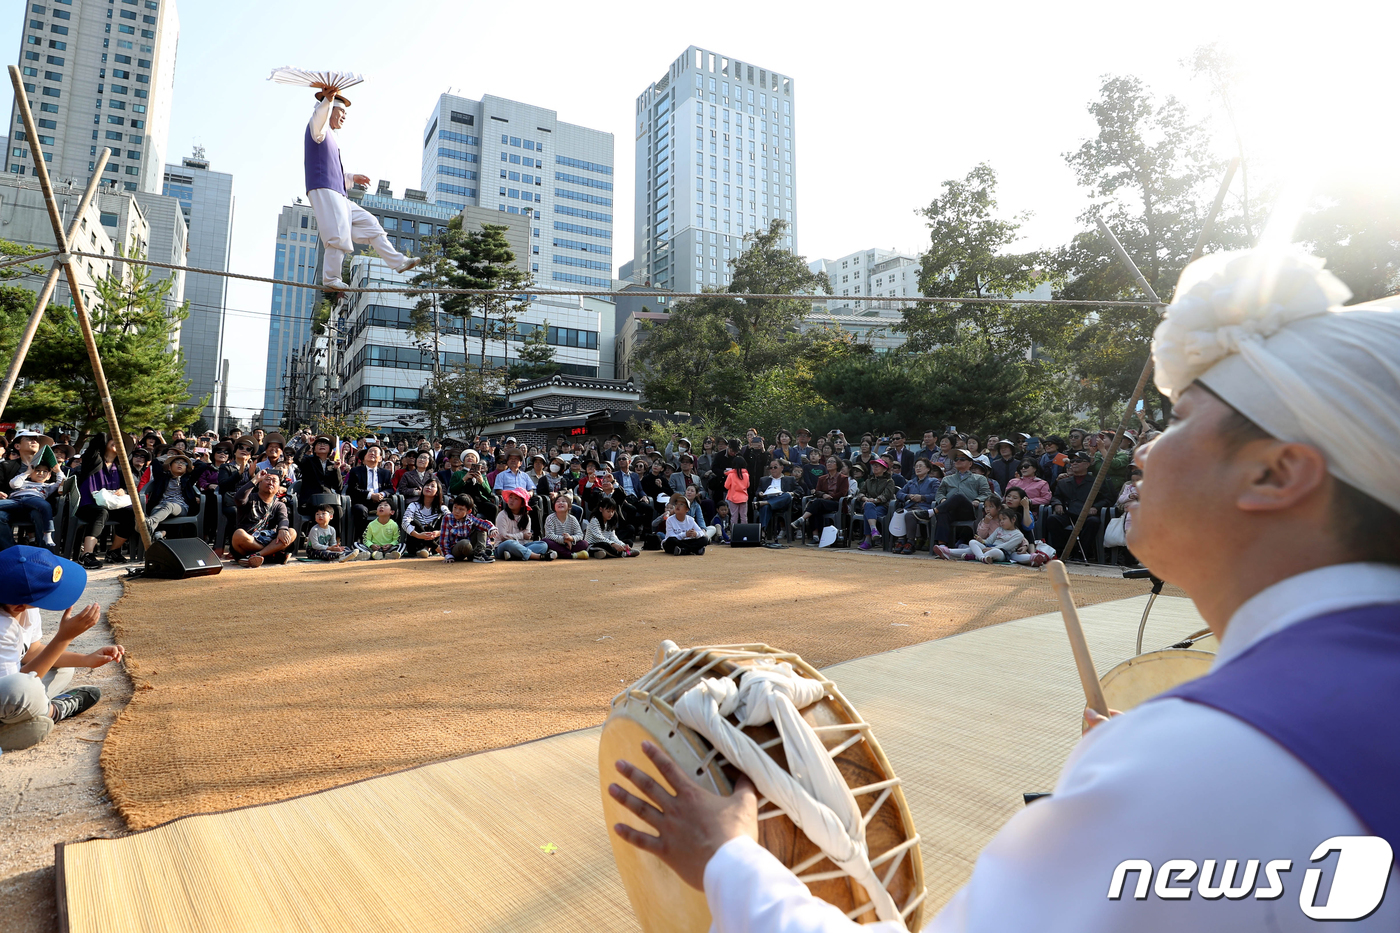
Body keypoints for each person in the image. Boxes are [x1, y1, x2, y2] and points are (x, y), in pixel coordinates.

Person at [607, 248, 1400, 931]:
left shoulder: (1208, 758)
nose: (1146, 449)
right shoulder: (1243, 739)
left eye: (1182, 419)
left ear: (1276, 471)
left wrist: (728, 860)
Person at [0, 547, 121, 751]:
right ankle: (54, 711)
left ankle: (23, 720)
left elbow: (32, 651)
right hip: (8, 689)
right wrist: (64, 638)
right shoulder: (3, 627)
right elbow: (17, 686)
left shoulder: (21, 606)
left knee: (63, 667)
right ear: (18, 606)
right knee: (24, 688)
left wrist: (85, 660)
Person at [303, 86, 419, 290]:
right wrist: (327, 101)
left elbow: (333, 171)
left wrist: (350, 177)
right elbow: (319, 117)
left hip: (338, 192)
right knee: (337, 234)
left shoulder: (331, 137)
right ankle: (331, 279)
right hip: (324, 189)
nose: (344, 117)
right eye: (342, 112)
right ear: (330, 110)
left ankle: (398, 262)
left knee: (371, 223)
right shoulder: (318, 130)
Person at [74, 434, 136, 569]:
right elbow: (95, 443)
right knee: (100, 513)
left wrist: (123, 490)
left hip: (111, 506)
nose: (117, 443)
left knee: (132, 513)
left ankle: (113, 551)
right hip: (87, 505)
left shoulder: (120, 468)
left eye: (121, 443)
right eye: (114, 440)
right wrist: (109, 432)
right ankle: (86, 555)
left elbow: (129, 486)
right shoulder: (93, 461)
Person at [1045, 452, 1112, 559]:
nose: (1074, 463)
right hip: (1068, 513)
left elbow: (1107, 499)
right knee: (1053, 519)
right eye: (1072, 461)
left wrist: (1096, 507)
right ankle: (1061, 551)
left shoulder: (1096, 482)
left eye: (1078, 461)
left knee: (1093, 522)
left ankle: (1082, 552)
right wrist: (1057, 504)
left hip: (1087, 514)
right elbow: (1056, 496)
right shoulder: (1063, 482)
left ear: (1087, 464)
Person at [231, 471, 297, 568]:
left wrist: (282, 529)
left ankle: (257, 555)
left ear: (278, 488)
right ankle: (271, 553)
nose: (271, 483)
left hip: (269, 539)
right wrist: (255, 479)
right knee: (239, 534)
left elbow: (283, 519)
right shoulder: (250, 498)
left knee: (292, 532)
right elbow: (238, 498)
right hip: (250, 542)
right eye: (267, 479)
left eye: (274, 481)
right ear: (259, 484)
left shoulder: (279, 505)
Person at [932, 449, 992, 545]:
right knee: (943, 512)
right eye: (956, 459)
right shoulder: (947, 479)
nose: (958, 461)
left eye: (962, 459)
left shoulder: (980, 478)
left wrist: (978, 500)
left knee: (958, 496)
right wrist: (942, 499)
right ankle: (941, 545)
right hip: (950, 510)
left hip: (969, 510)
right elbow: (939, 493)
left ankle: (932, 512)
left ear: (970, 463)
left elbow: (986, 493)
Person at [790, 456, 849, 544]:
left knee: (816, 503)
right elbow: (817, 491)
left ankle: (802, 519)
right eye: (828, 462)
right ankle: (815, 536)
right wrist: (823, 494)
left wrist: (831, 496)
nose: (829, 464)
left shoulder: (843, 478)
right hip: (823, 502)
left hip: (836, 503)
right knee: (815, 506)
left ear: (837, 465)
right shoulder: (822, 478)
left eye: (832, 462)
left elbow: (843, 493)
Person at [142, 451, 200, 540]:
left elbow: (202, 466)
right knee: (157, 511)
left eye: (183, 463)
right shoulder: (162, 478)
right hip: (161, 506)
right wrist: (167, 456)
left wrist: (190, 460)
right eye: (176, 462)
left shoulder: (188, 479)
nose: (180, 464)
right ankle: (158, 534)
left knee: (169, 506)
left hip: (180, 507)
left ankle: (149, 524)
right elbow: (155, 462)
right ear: (169, 467)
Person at [935, 508, 1026, 563]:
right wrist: (981, 541)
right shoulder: (999, 529)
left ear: (1013, 519)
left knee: (994, 553)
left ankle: (976, 556)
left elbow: (1006, 546)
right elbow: (989, 541)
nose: (1001, 522)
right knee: (972, 542)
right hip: (989, 548)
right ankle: (948, 551)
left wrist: (993, 548)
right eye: (1000, 520)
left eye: (1004, 519)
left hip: (1002, 553)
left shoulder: (1018, 535)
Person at [5, 460, 61, 550]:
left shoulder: (48, 486)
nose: (41, 473)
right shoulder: (23, 483)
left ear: (49, 476)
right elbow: (13, 484)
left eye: (45, 471)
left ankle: (48, 533)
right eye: (37, 470)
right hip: (15, 501)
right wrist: (27, 472)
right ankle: (9, 548)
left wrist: (58, 471)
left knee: (46, 506)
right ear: (31, 474)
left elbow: (62, 482)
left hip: (33, 500)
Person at [345, 445, 394, 542]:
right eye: (370, 451)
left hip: (380, 502)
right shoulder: (356, 471)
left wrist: (382, 494)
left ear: (380, 458)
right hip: (362, 501)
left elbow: (390, 489)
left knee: (393, 507)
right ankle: (364, 540)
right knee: (360, 510)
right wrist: (370, 495)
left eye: (375, 452)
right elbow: (352, 489)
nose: (372, 453)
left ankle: (389, 540)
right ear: (365, 457)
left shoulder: (385, 473)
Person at [892, 458, 940, 554]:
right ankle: (901, 540)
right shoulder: (911, 482)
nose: (917, 468)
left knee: (909, 514)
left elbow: (936, 495)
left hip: (925, 509)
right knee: (900, 513)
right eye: (916, 466)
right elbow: (899, 494)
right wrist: (908, 496)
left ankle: (910, 542)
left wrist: (922, 497)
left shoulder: (933, 481)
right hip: (911, 506)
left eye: (920, 466)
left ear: (928, 469)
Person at [494, 488, 551, 561]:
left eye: (516, 499)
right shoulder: (502, 515)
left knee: (543, 545)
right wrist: (522, 535)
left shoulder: (526, 518)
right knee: (509, 543)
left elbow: (526, 539)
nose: (511, 500)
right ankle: (537, 556)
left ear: (522, 504)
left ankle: (513, 555)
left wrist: (523, 537)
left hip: (522, 546)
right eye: (510, 497)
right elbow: (504, 537)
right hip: (503, 546)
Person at [854, 458, 897, 550]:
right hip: (870, 505)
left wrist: (873, 500)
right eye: (874, 465)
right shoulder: (868, 481)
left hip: (883, 507)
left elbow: (886, 496)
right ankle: (874, 530)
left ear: (885, 469)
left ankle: (868, 540)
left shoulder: (889, 481)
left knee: (867, 511)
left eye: (878, 465)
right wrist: (866, 499)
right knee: (869, 507)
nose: (875, 467)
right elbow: (860, 493)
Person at [440, 494, 495, 564]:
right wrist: (448, 555)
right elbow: (444, 539)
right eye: (455, 507)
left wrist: (492, 528)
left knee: (481, 528)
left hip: (470, 548)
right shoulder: (447, 518)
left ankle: (479, 553)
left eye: (461, 509)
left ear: (468, 511)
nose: (456, 511)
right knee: (464, 543)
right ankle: (477, 554)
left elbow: (482, 523)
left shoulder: (470, 518)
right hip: (456, 549)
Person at [402, 478, 448, 558]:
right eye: (426, 485)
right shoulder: (413, 505)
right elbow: (404, 522)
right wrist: (418, 535)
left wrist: (438, 533)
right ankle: (435, 548)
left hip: (435, 538)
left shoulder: (442, 508)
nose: (428, 487)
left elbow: (453, 522)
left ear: (437, 492)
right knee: (413, 522)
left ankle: (427, 548)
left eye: (432, 486)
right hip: (416, 542)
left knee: (443, 521)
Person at [755, 460, 797, 541]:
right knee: (766, 507)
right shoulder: (764, 480)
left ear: (782, 468)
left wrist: (792, 493)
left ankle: (764, 503)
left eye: (775, 467)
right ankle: (763, 532)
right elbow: (758, 491)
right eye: (771, 468)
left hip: (782, 502)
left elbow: (800, 491)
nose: (773, 469)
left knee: (787, 495)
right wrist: (760, 493)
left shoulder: (790, 479)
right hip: (769, 498)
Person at [544, 494, 589, 559]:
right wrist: (564, 540)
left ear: (569, 507)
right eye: (558, 501)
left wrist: (571, 538)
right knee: (545, 541)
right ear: (554, 507)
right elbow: (549, 535)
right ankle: (572, 555)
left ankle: (561, 554)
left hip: (570, 544)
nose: (560, 503)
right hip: (556, 543)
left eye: (563, 501)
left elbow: (580, 535)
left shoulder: (572, 519)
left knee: (584, 543)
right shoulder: (550, 518)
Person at [724, 460, 750, 526]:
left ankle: (734, 531)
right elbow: (747, 485)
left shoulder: (731, 475)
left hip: (733, 497)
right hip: (743, 497)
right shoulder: (746, 474)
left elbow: (726, 486)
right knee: (744, 516)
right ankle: (744, 531)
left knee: (734, 516)